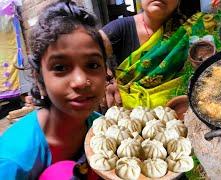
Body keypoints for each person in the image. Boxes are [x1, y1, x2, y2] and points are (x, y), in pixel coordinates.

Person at [0, 1, 109, 178]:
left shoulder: (103, 128)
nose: (81, 81)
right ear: (39, 79)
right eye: (60, 67)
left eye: (93, 64)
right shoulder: (13, 160)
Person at [99, 0, 184, 109]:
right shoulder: (121, 27)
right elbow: (83, 53)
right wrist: (107, 81)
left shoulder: (193, 30)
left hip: (179, 114)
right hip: (127, 117)